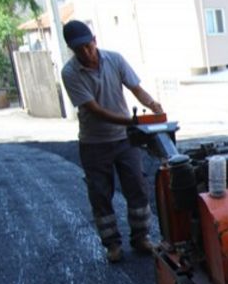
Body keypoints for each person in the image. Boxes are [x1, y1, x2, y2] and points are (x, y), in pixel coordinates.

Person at [60, 20, 163, 263]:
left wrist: (153, 105)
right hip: (94, 143)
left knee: (137, 187)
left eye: (88, 46)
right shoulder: (70, 73)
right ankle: (112, 244)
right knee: (100, 193)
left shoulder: (115, 60)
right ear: (72, 50)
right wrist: (131, 122)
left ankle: (141, 237)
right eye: (79, 50)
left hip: (124, 141)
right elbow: (93, 109)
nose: (86, 52)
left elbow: (136, 88)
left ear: (95, 40)